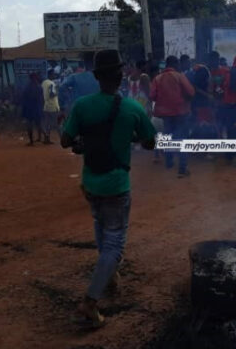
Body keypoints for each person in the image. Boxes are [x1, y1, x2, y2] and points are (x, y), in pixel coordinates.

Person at [61, 49, 156, 329]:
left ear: (97, 76)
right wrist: (133, 136)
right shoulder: (132, 108)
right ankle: (89, 304)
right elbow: (150, 142)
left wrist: (85, 139)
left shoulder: (81, 105)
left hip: (90, 183)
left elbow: (67, 141)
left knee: (100, 225)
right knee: (114, 244)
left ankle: (110, 276)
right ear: (121, 75)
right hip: (117, 185)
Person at [150, 56, 195, 177]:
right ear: (175, 64)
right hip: (180, 112)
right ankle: (182, 168)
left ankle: (169, 163)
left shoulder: (157, 78)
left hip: (165, 114)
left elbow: (152, 95)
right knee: (181, 139)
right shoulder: (179, 76)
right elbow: (191, 92)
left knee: (168, 136)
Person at [21, 73, 44, 145]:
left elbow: (23, 98)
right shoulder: (39, 87)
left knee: (29, 124)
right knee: (38, 124)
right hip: (37, 108)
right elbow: (42, 98)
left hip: (29, 108)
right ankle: (39, 138)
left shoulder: (27, 87)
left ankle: (31, 141)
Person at [42, 70, 60, 144]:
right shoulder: (51, 83)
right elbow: (52, 94)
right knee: (58, 124)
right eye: (53, 75)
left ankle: (47, 139)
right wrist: (57, 91)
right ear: (50, 75)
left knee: (47, 124)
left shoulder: (44, 83)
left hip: (46, 106)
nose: (54, 76)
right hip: (53, 106)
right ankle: (62, 138)